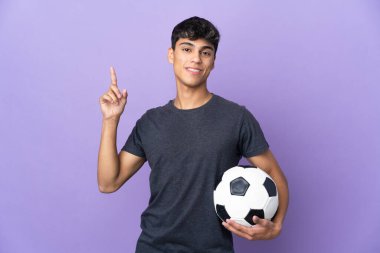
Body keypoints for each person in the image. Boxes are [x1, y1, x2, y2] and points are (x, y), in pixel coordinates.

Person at [98, 16, 289, 253]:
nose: (196, 59)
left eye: (205, 52)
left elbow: (272, 172)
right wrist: (110, 120)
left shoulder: (236, 118)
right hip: (153, 247)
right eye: (187, 49)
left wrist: (277, 225)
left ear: (213, 61)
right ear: (171, 55)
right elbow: (108, 183)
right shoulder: (150, 122)